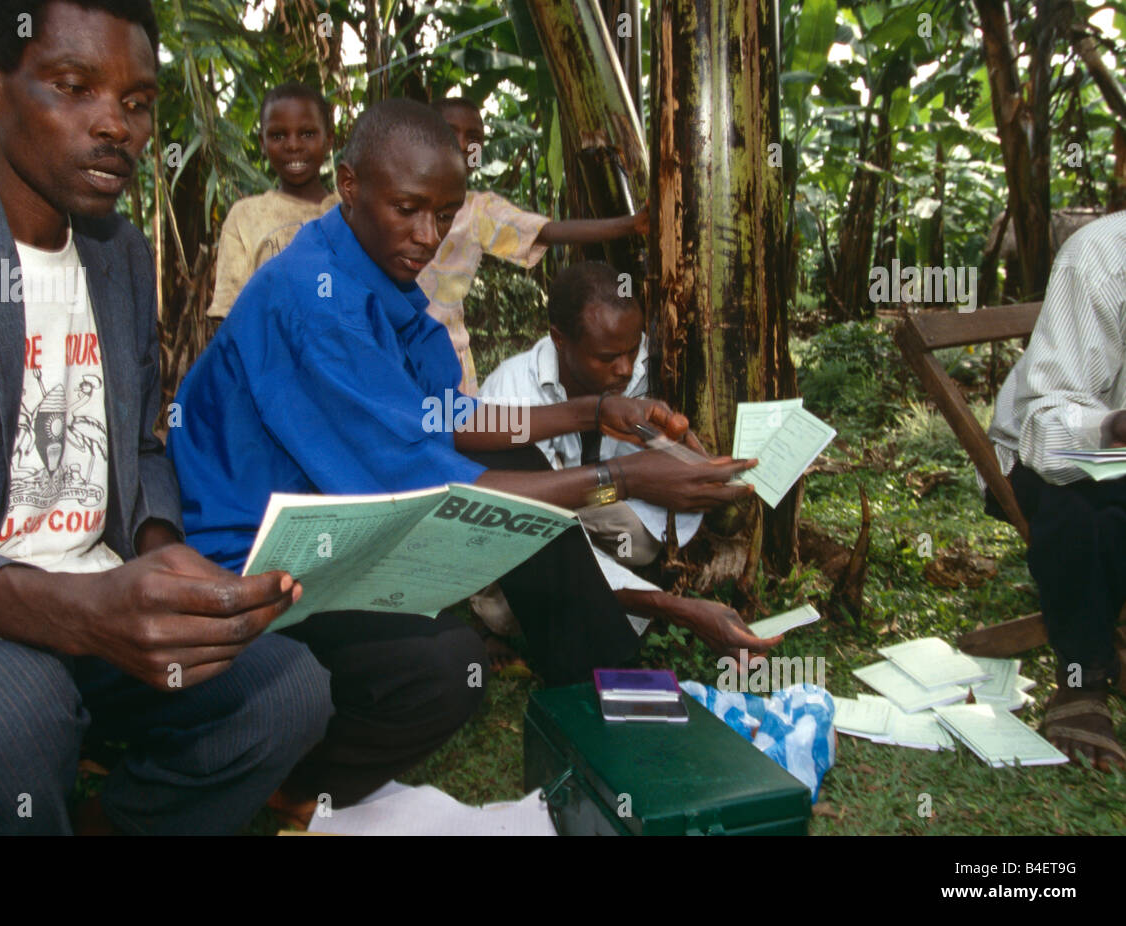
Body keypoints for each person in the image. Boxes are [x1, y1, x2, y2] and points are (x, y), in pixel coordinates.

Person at [0, 0, 334, 836]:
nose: (116, 126)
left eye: (137, 103)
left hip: (92, 600)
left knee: (286, 691)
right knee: (12, 715)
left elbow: (138, 450)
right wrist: (74, 611)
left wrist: (165, 560)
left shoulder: (119, 256)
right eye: (74, 87)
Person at [168, 99, 757, 818]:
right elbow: (444, 482)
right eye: (409, 209)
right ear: (348, 185)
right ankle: (289, 787)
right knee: (452, 669)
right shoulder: (313, 299)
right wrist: (622, 477)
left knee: (536, 479)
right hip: (252, 554)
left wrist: (598, 412)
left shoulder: (380, 279)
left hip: (334, 527)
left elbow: (452, 418)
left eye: (444, 215)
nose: (427, 237)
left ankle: (612, 699)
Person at [478, 261, 781, 664]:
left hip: (596, 508)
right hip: (525, 525)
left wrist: (686, 461)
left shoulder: (648, 370)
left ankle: (616, 584)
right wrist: (674, 608)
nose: (624, 369)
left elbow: (638, 479)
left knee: (634, 536)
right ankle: (586, 601)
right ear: (559, 340)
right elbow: (528, 520)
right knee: (514, 593)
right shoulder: (510, 394)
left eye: (632, 349)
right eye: (607, 357)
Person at [988, 210, 1126, 771]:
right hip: (1056, 450)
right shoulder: (1101, 259)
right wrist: (1115, 429)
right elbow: (1047, 430)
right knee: (1087, 508)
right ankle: (1082, 679)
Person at [419, 96, 648, 395]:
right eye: (450, 132)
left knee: (449, 435)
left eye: (474, 139)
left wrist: (630, 225)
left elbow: (547, 231)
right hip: (387, 353)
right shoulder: (381, 200)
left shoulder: (478, 211)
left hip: (448, 357)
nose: (463, 145)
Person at [207, 82, 340, 319]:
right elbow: (230, 316)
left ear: (329, 139)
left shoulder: (352, 213)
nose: (293, 145)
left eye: (307, 133)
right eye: (278, 135)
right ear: (262, 143)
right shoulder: (246, 217)